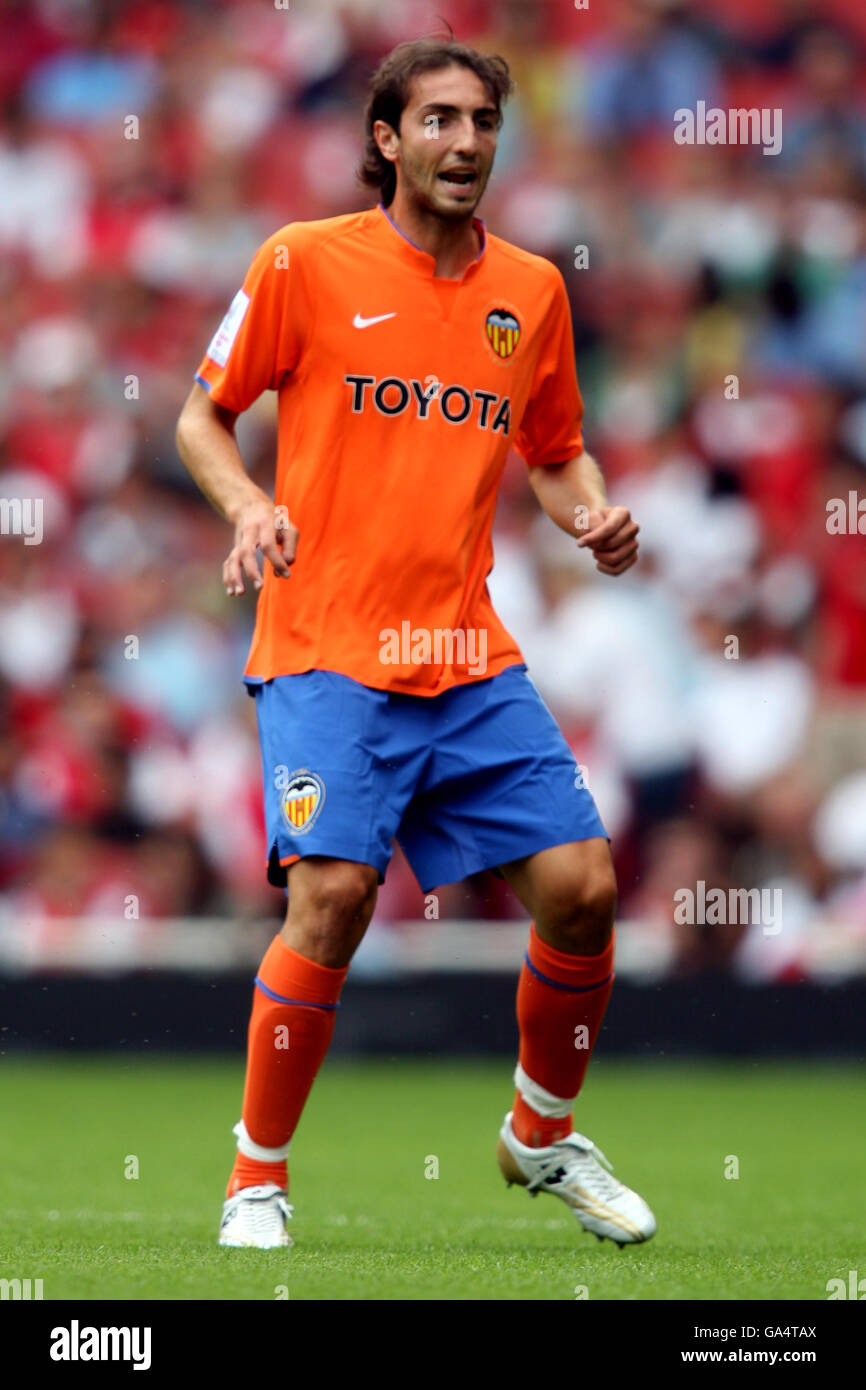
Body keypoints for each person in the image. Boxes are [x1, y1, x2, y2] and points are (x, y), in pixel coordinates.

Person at [175, 35, 655, 1251]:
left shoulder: (531, 291)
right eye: (437, 120)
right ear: (387, 139)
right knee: (332, 898)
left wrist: (587, 510)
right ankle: (255, 1180)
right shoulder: (302, 261)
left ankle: (540, 1135)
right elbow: (202, 416)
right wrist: (249, 506)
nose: (464, 142)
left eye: (482, 122)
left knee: (585, 892)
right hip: (326, 642)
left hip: (462, 647)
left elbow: (551, 451)